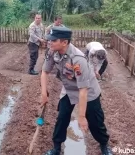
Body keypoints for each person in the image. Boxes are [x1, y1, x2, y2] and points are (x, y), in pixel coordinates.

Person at [40, 27, 112, 155]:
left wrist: (81, 116)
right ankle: (56, 148)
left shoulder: (78, 59)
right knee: (62, 118)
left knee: (95, 122)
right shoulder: (52, 51)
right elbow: (44, 72)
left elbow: (83, 90)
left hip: (88, 90)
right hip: (69, 88)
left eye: (53, 40)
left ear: (64, 42)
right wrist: (44, 93)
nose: (50, 42)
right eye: (49, 40)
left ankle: (104, 144)